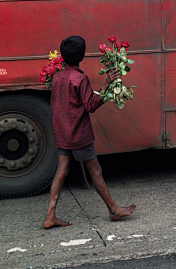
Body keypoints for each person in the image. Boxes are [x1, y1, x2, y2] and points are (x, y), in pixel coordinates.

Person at [43, 36, 136, 229]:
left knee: (61, 172)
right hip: (79, 134)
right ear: (82, 56)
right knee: (96, 171)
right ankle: (113, 209)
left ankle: (50, 216)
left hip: (62, 133)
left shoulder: (58, 76)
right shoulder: (80, 78)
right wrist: (106, 84)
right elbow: (90, 105)